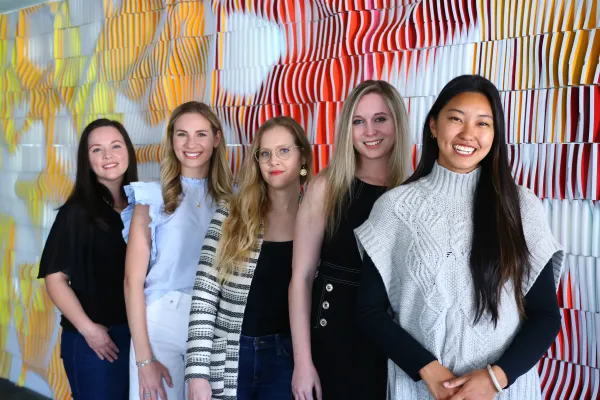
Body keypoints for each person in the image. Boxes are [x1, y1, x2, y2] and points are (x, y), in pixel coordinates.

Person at [355, 74, 564, 400]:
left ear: (495, 135)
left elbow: (546, 316)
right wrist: (428, 369)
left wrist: (495, 379)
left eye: (483, 124)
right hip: (421, 389)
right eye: (456, 119)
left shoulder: (521, 206)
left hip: (505, 392)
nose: (469, 134)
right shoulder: (394, 208)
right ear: (434, 125)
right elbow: (368, 312)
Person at [288, 80, 411, 400]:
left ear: (398, 121)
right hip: (333, 339)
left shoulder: (414, 191)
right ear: (347, 129)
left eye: (380, 119)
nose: (370, 131)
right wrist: (302, 363)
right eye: (359, 121)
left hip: (395, 342)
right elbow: (300, 278)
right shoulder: (325, 188)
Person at [185, 116, 313, 400]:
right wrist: (197, 373)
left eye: (283, 151)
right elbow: (204, 295)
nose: (273, 161)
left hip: (287, 357)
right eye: (264, 153)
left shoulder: (317, 219)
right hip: (232, 354)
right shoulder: (232, 213)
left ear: (302, 155)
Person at [123, 101, 233, 400]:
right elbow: (132, 281)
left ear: (217, 138)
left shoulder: (234, 202)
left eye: (201, 134)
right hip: (159, 325)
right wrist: (144, 359)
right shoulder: (152, 196)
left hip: (213, 326)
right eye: (182, 134)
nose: (191, 143)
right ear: (172, 140)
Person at [38, 119, 138, 399]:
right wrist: (88, 329)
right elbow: (55, 278)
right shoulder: (77, 212)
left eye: (115, 146)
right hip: (94, 339)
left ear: (128, 151)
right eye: (97, 150)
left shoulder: (141, 205)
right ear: (87, 160)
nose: (108, 155)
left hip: (135, 335)